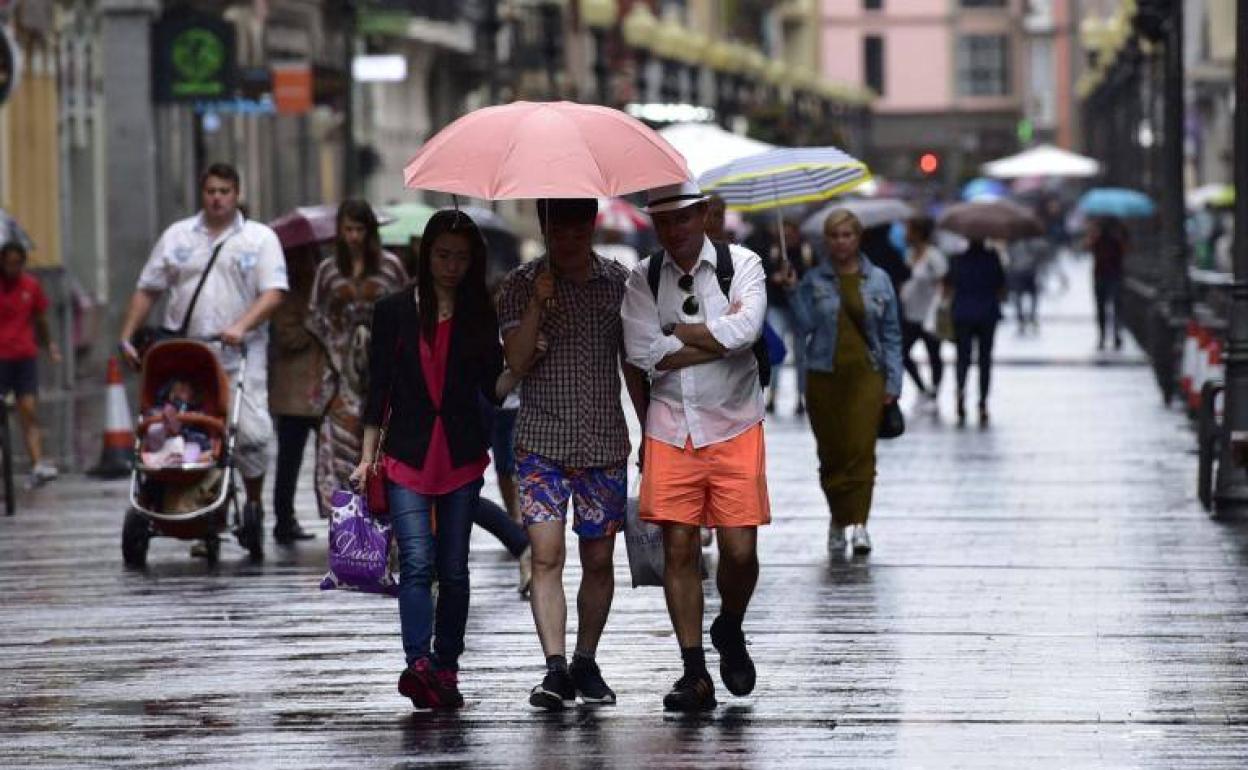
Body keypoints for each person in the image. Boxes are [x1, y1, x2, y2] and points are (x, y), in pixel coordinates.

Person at [620, 181, 771, 712]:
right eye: (663, 222)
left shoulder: (742, 264)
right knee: (677, 549)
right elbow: (643, 353)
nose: (674, 231)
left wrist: (678, 334)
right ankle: (694, 671)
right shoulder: (643, 278)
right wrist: (711, 336)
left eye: (683, 218)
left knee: (739, 551)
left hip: (735, 424)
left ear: (704, 214)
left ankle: (729, 624)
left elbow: (747, 332)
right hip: (668, 430)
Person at [350, 210, 506, 710]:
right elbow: (378, 388)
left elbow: (494, 388)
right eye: (443, 255)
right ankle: (417, 663)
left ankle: (447, 665)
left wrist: (523, 360)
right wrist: (365, 456)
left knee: (453, 568)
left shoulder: (479, 312)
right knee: (416, 562)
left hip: (460, 452)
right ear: (426, 254)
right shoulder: (394, 309)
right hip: (407, 453)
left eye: (461, 257)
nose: (451, 266)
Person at [497, 198, 647, 711]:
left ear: (590, 227)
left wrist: (651, 430)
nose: (567, 240)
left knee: (598, 558)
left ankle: (586, 658)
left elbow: (633, 364)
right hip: (541, 441)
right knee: (545, 555)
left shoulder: (619, 283)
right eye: (556, 229)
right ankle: (555, 667)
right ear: (543, 228)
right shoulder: (520, 284)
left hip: (603, 441)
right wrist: (538, 304)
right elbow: (513, 365)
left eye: (577, 229)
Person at [119, 163, 287, 538]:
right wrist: (127, 335)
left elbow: (274, 292)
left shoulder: (259, 239)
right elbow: (149, 288)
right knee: (180, 427)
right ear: (202, 193)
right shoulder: (178, 237)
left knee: (250, 432)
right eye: (211, 190)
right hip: (188, 356)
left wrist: (241, 326)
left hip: (239, 352)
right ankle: (181, 500)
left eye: (225, 191)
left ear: (237, 193)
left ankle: (253, 502)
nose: (217, 198)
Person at [780, 209, 902, 556]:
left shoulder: (879, 280)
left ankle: (860, 523)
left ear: (858, 238)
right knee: (831, 454)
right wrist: (791, 291)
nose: (841, 242)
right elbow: (804, 326)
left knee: (861, 451)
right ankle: (838, 519)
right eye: (834, 236)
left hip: (867, 374)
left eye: (847, 235)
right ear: (827, 241)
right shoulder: (814, 280)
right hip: (824, 376)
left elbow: (892, 333)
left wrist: (893, 381)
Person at [307, 201, 408, 518]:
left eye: (359, 229)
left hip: (386, 370)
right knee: (338, 449)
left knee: (384, 448)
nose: (353, 236)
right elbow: (316, 319)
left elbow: (407, 312)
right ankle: (346, 524)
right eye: (347, 229)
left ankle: (384, 525)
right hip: (340, 374)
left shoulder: (390, 267)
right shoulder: (327, 271)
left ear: (370, 230)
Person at [267, 243, 323, 544]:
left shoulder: (323, 292)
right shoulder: (285, 296)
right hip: (292, 396)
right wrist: (314, 325)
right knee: (289, 460)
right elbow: (287, 336)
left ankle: (334, 514)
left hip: (321, 391)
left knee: (329, 460)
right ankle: (284, 519)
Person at [0, 241, 61, 485]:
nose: (12, 268)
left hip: (24, 356)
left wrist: (50, 346)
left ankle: (37, 463)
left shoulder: (31, 286)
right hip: (0, 357)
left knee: (28, 410)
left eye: (17, 263)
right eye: (8, 262)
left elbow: (40, 319)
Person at [947, 237, 1007, 425]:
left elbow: (949, 284)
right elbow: (1001, 285)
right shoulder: (993, 258)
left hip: (962, 313)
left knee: (962, 358)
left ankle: (960, 392)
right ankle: (982, 403)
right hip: (987, 313)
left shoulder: (957, 259)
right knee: (985, 359)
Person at [762, 218, 813, 415]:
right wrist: (775, 277)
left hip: (798, 307)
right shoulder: (772, 251)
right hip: (777, 305)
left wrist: (795, 279)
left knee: (801, 354)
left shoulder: (806, 252)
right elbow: (763, 274)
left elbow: (810, 277)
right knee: (776, 352)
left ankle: (801, 396)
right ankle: (772, 395)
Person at [898, 217, 947, 409]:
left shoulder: (934, 256)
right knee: (902, 352)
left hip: (929, 314)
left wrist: (939, 303)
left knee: (934, 353)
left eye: (909, 230)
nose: (906, 234)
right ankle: (922, 387)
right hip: (910, 313)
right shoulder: (908, 254)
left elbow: (944, 282)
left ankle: (935, 390)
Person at [1087, 217, 1126, 350]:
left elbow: (1124, 250)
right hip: (1106, 275)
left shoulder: (1116, 239)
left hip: (1109, 276)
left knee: (1108, 307)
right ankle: (1107, 336)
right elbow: (1089, 248)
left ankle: (1110, 335)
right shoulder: (1098, 239)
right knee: (1108, 307)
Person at [1008, 235, 1046, 334]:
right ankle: (1024, 318)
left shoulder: (1030, 242)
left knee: (1029, 296)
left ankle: (1029, 317)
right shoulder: (1014, 242)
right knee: (1020, 297)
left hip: (1026, 271)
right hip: (1022, 271)